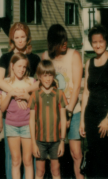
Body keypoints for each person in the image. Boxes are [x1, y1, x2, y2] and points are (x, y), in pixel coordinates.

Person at [0, 22, 41, 179]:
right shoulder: (6, 57)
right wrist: (15, 94)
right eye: (17, 37)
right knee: (13, 159)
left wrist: (25, 92)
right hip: (11, 115)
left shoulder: (34, 58)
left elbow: (42, 82)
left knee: (29, 159)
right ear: (12, 39)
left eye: (23, 37)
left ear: (27, 38)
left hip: (28, 116)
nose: (20, 40)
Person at [79, 25, 108, 178]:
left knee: (102, 156)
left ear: (106, 41)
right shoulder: (89, 63)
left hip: (105, 116)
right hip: (90, 115)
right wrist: (82, 121)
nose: (97, 45)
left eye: (101, 41)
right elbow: (86, 93)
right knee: (92, 155)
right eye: (94, 42)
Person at [41, 24, 83, 179]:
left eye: (65, 39)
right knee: (53, 154)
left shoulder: (74, 55)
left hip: (73, 110)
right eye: (60, 40)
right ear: (53, 42)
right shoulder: (45, 56)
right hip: (53, 113)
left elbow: (77, 85)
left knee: (76, 152)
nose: (65, 43)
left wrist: (69, 112)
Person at [28, 60, 67, 179]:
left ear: (53, 76)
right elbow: (31, 120)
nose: (47, 79)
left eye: (50, 75)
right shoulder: (35, 95)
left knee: (55, 170)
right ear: (39, 76)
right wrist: (33, 143)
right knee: (40, 171)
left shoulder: (59, 94)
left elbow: (64, 118)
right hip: (40, 141)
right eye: (44, 75)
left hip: (56, 140)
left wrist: (62, 141)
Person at [0, 53, 35, 179]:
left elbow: (37, 104)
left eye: (24, 67)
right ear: (12, 66)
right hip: (11, 126)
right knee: (15, 161)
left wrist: (27, 97)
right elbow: (2, 108)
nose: (21, 69)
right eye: (19, 66)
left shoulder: (31, 82)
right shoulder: (5, 83)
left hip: (27, 125)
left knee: (28, 160)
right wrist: (10, 94)